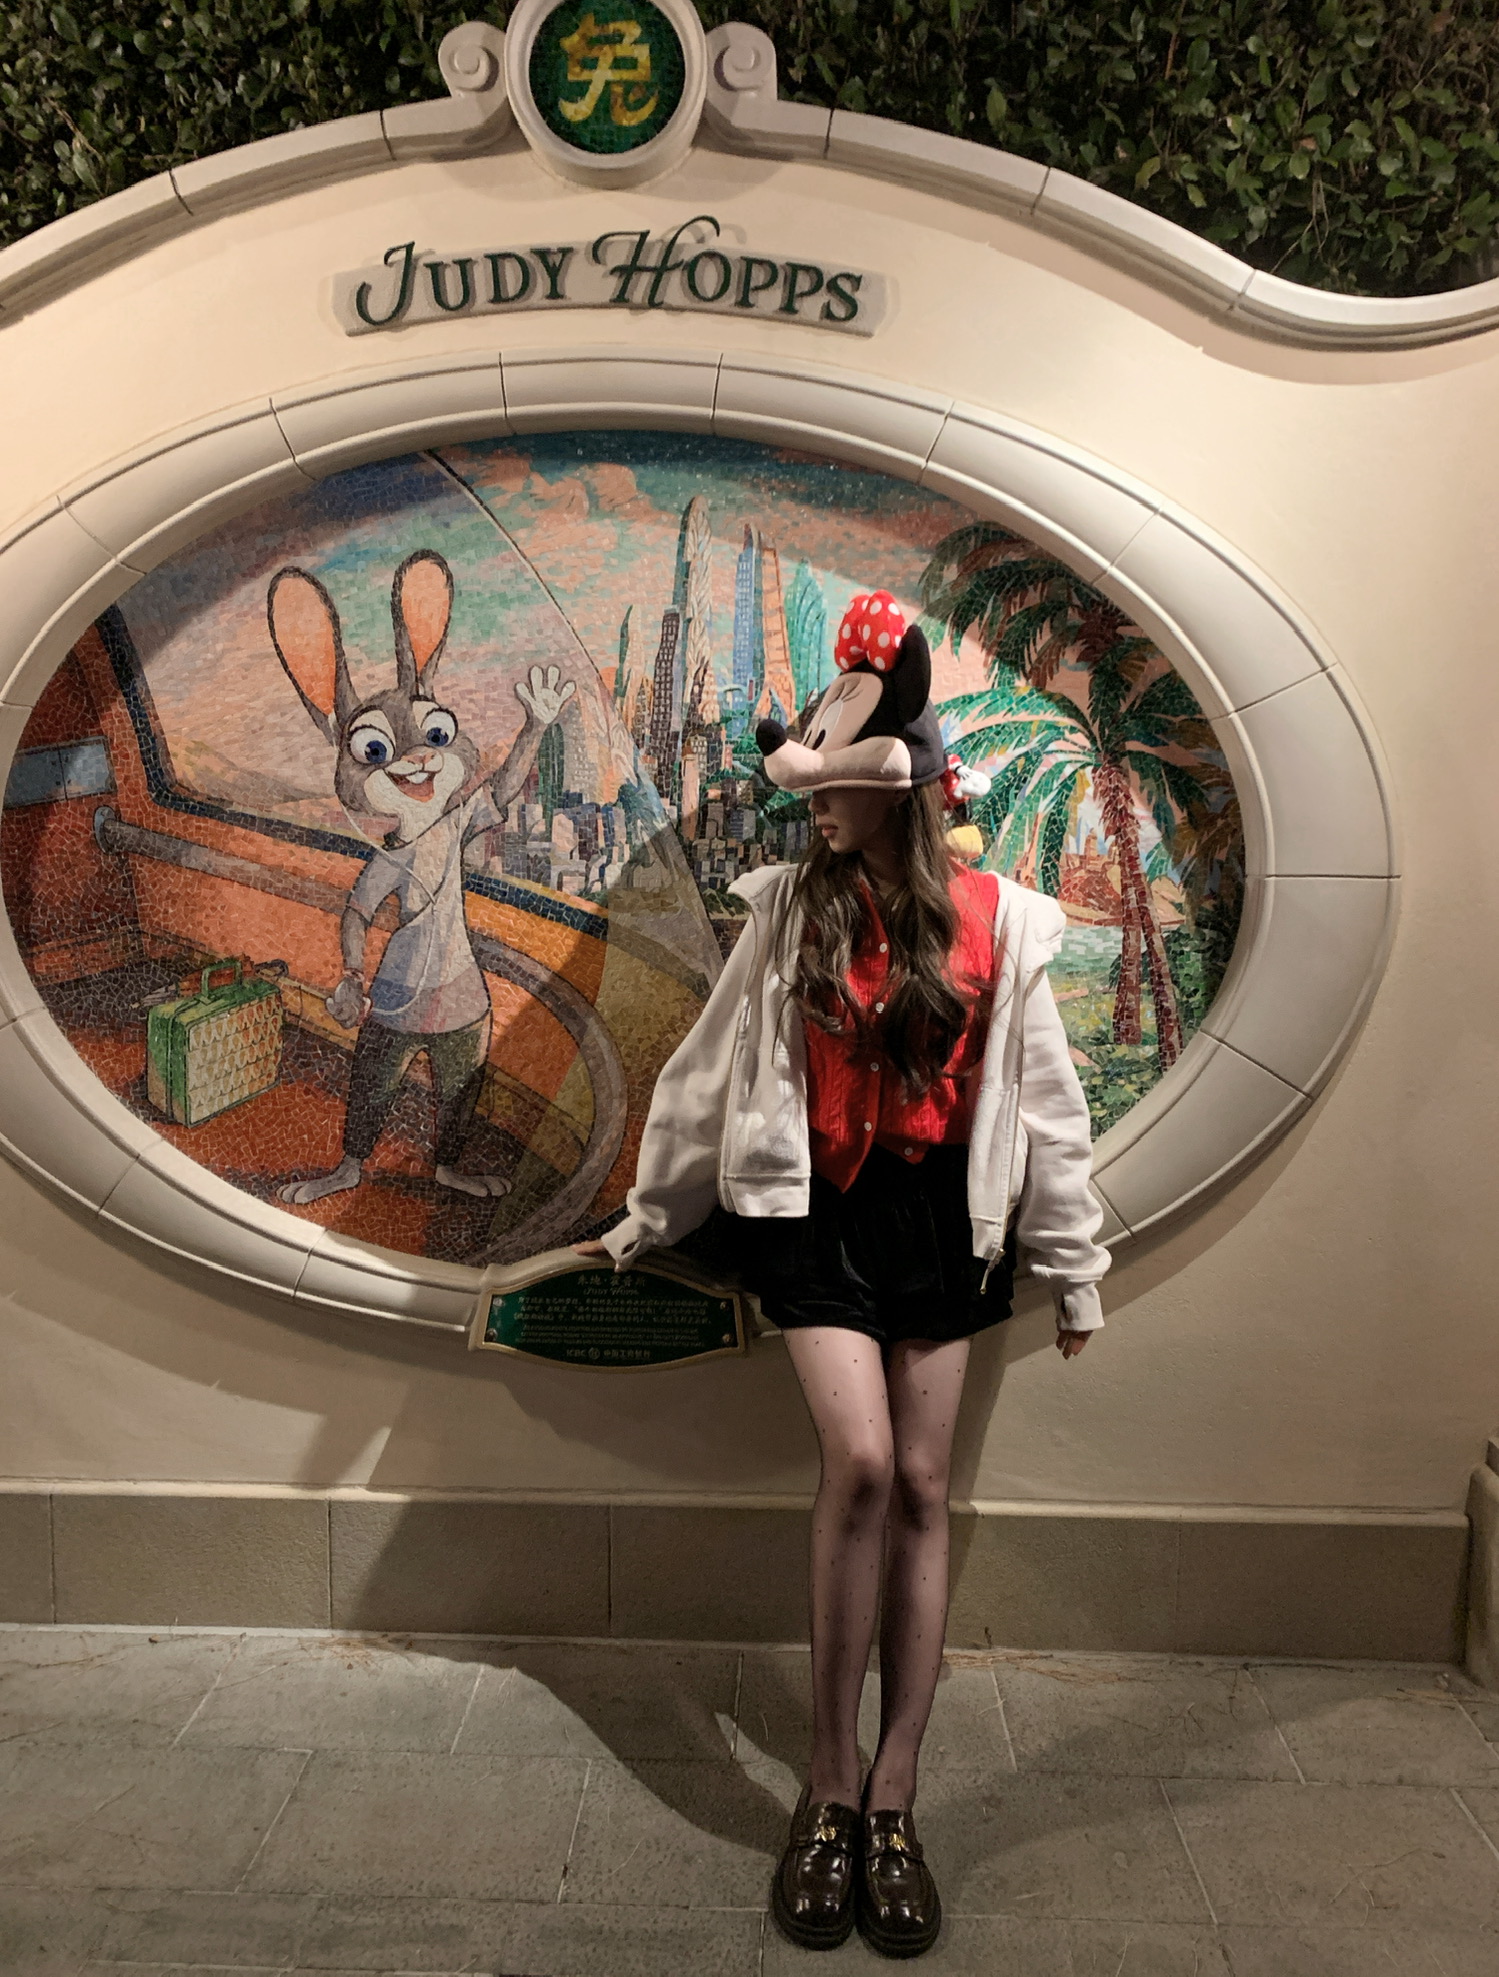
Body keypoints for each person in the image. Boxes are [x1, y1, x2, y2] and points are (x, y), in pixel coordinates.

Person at [577, 591, 1109, 1958]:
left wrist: (1075, 1267)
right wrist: (647, 1218)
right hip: (814, 1217)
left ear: (898, 784)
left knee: (926, 1485)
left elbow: (1046, 1106)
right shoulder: (787, 912)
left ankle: (894, 1795)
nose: (809, 798)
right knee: (862, 1464)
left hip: (944, 1224)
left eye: (833, 778)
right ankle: (826, 1780)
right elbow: (707, 1073)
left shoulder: (1002, 922)